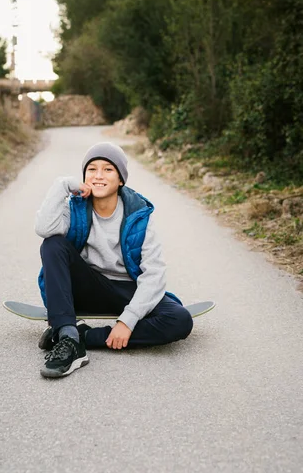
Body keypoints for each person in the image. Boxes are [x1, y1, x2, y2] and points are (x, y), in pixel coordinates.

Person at [35, 142, 193, 378]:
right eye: (92, 169)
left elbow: (154, 274)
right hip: (87, 288)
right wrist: (62, 185)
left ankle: (84, 336)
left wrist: (127, 322)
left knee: (180, 319)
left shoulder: (138, 214)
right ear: (84, 177)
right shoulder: (75, 208)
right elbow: (43, 228)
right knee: (52, 243)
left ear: (120, 179)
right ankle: (68, 338)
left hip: (126, 290)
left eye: (108, 169)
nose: (99, 176)